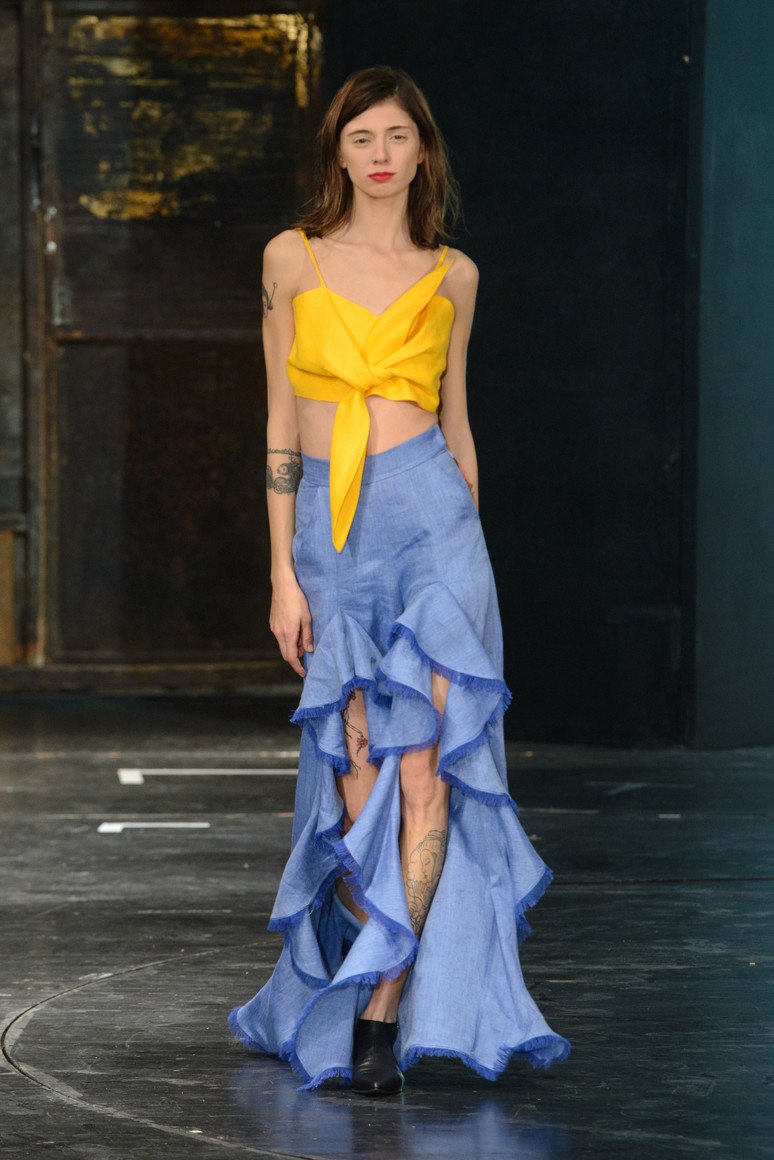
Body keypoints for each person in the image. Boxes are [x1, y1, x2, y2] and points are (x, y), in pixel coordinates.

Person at [228, 65, 570, 1095]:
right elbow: (279, 425)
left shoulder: (454, 274)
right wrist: (284, 573)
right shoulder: (289, 259)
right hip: (335, 536)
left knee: (427, 781)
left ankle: (381, 1013)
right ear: (338, 152)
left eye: (397, 137)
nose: (380, 155)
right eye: (361, 137)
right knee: (360, 786)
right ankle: (361, 974)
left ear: (424, 152)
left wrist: (473, 552)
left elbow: (458, 424)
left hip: (436, 527)